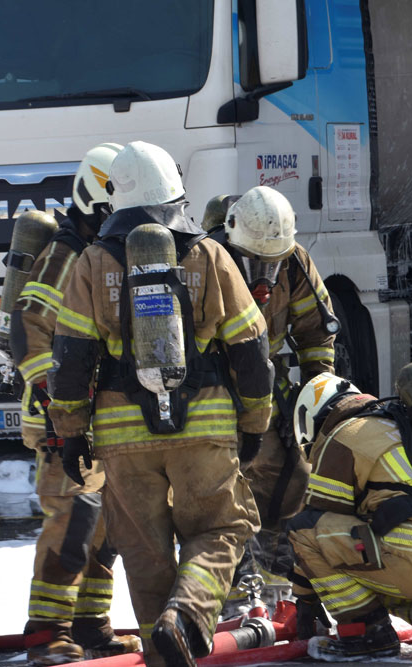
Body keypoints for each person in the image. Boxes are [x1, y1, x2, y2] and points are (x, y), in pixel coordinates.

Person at [46, 141, 274, 667]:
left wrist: (72, 431)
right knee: (219, 527)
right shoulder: (210, 255)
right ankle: (186, 616)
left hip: (123, 436)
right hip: (206, 424)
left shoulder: (92, 262)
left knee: (144, 552)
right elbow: (250, 348)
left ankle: (160, 650)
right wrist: (255, 421)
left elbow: (71, 359)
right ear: (175, 190)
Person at [10, 142, 142, 665]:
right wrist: (57, 402)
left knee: (103, 526)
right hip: (62, 422)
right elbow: (28, 328)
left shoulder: (107, 253)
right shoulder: (65, 256)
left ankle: (89, 625)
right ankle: (46, 631)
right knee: (72, 522)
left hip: (100, 418)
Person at [285, 372, 412, 661]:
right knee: (364, 558)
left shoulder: (343, 437)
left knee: (304, 531)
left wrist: (305, 597)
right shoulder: (406, 424)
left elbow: (314, 525)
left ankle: (368, 634)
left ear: (313, 418)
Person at [207, 186, 337, 613]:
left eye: (273, 262)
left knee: (293, 473)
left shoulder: (295, 262)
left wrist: (314, 395)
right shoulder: (206, 259)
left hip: (267, 379)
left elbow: (315, 333)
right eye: (255, 261)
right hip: (213, 383)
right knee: (220, 484)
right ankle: (230, 591)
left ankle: (280, 580)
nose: (265, 273)